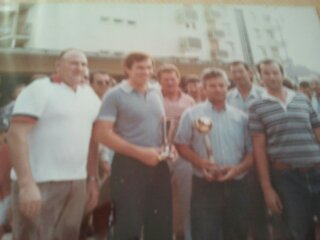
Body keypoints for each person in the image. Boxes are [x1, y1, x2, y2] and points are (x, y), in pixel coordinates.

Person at [7, 49, 101, 240]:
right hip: (39, 182)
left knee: (68, 236)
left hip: (77, 182)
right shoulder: (39, 89)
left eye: (83, 64)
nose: (80, 68)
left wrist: (92, 178)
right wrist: (26, 184)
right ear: (57, 65)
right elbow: (16, 135)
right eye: (73, 63)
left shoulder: (89, 95)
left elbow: (93, 140)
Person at [93, 52, 172, 240]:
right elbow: (102, 134)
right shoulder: (114, 95)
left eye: (149, 67)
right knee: (128, 225)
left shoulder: (156, 91)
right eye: (140, 67)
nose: (146, 72)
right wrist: (140, 153)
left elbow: (159, 125)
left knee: (160, 223)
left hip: (158, 164)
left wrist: (168, 147)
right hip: (128, 166)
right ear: (127, 69)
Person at [175, 67, 252, 240]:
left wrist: (238, 169)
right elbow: (181, 144)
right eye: (212, 86)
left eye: (221, 85)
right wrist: (201, 163)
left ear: (227, 86)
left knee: (237, 232)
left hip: (236, 183)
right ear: (204, 88)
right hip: (205, 184)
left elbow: (252, 152)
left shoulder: (241, 117)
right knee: (204, 233)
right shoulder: (192, 114)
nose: (217, 89)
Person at [249, 59, 320, 240]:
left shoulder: (302, 99)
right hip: (287, 178)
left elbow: (318, 132)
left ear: (282, 74)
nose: (272, 77)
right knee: (297, 231)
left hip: (316, 171)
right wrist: (267, 188)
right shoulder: (257, 106)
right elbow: (259, 148)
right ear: (260, 77)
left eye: (275, 72)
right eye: (267, 73)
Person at [227, 61, 269, 240]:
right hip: (240, 156)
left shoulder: (263, 95)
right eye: (234, 73)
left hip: (264, 153)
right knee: (244, 203)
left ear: (250, 72)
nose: (237, 75)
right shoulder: (228, 97)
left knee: (262, 202)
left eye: (240, 71)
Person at [157, 63, 195, 240]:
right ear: (160, 82)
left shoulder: (189, 101)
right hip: (159, 156)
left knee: (187, 199)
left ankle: (188, 235)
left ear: (179, 79)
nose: (170, 82)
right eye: (166, 80)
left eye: (173, 79)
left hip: (183, 156)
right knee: (162, 199)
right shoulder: (154, 99)